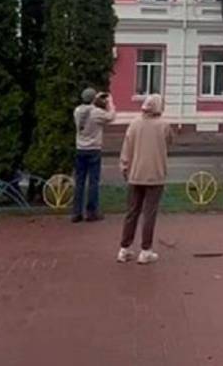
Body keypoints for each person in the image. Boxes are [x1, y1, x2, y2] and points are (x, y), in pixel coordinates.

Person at [117, 93, 174, 265]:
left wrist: (124, 167)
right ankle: (145, 250)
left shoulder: (134, 123)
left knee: (132, 212)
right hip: (155, 175)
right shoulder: (164, 125)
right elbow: (170, 142)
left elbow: (126, 147)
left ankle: (124, 248)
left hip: (135, 174)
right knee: (149, 213)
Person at [71, 88, 116, 223]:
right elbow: (111, 117)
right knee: (93, 182)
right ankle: (91, 212)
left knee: (79, 182)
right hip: (94, 149)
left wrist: (95, 100)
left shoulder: (77, 111)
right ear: (93, 98)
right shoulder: (96, 112)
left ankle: (76, 213)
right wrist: (110, 102)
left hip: (80, 148)